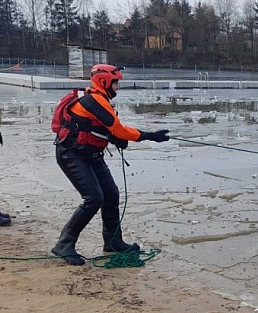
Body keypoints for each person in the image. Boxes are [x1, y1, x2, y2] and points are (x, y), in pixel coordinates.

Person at [51, 64, 170, 266]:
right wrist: (150, 136)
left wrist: (114, 138)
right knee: (94, 198)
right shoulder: (92, 100)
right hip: (71, 155)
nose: (118, 88)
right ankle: (64, 244)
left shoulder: (100, 100)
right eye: (116, 84)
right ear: (104, 82)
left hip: (91, 154)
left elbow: (102, 128)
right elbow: (119, 129)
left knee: (111, 194)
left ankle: (113, 241)